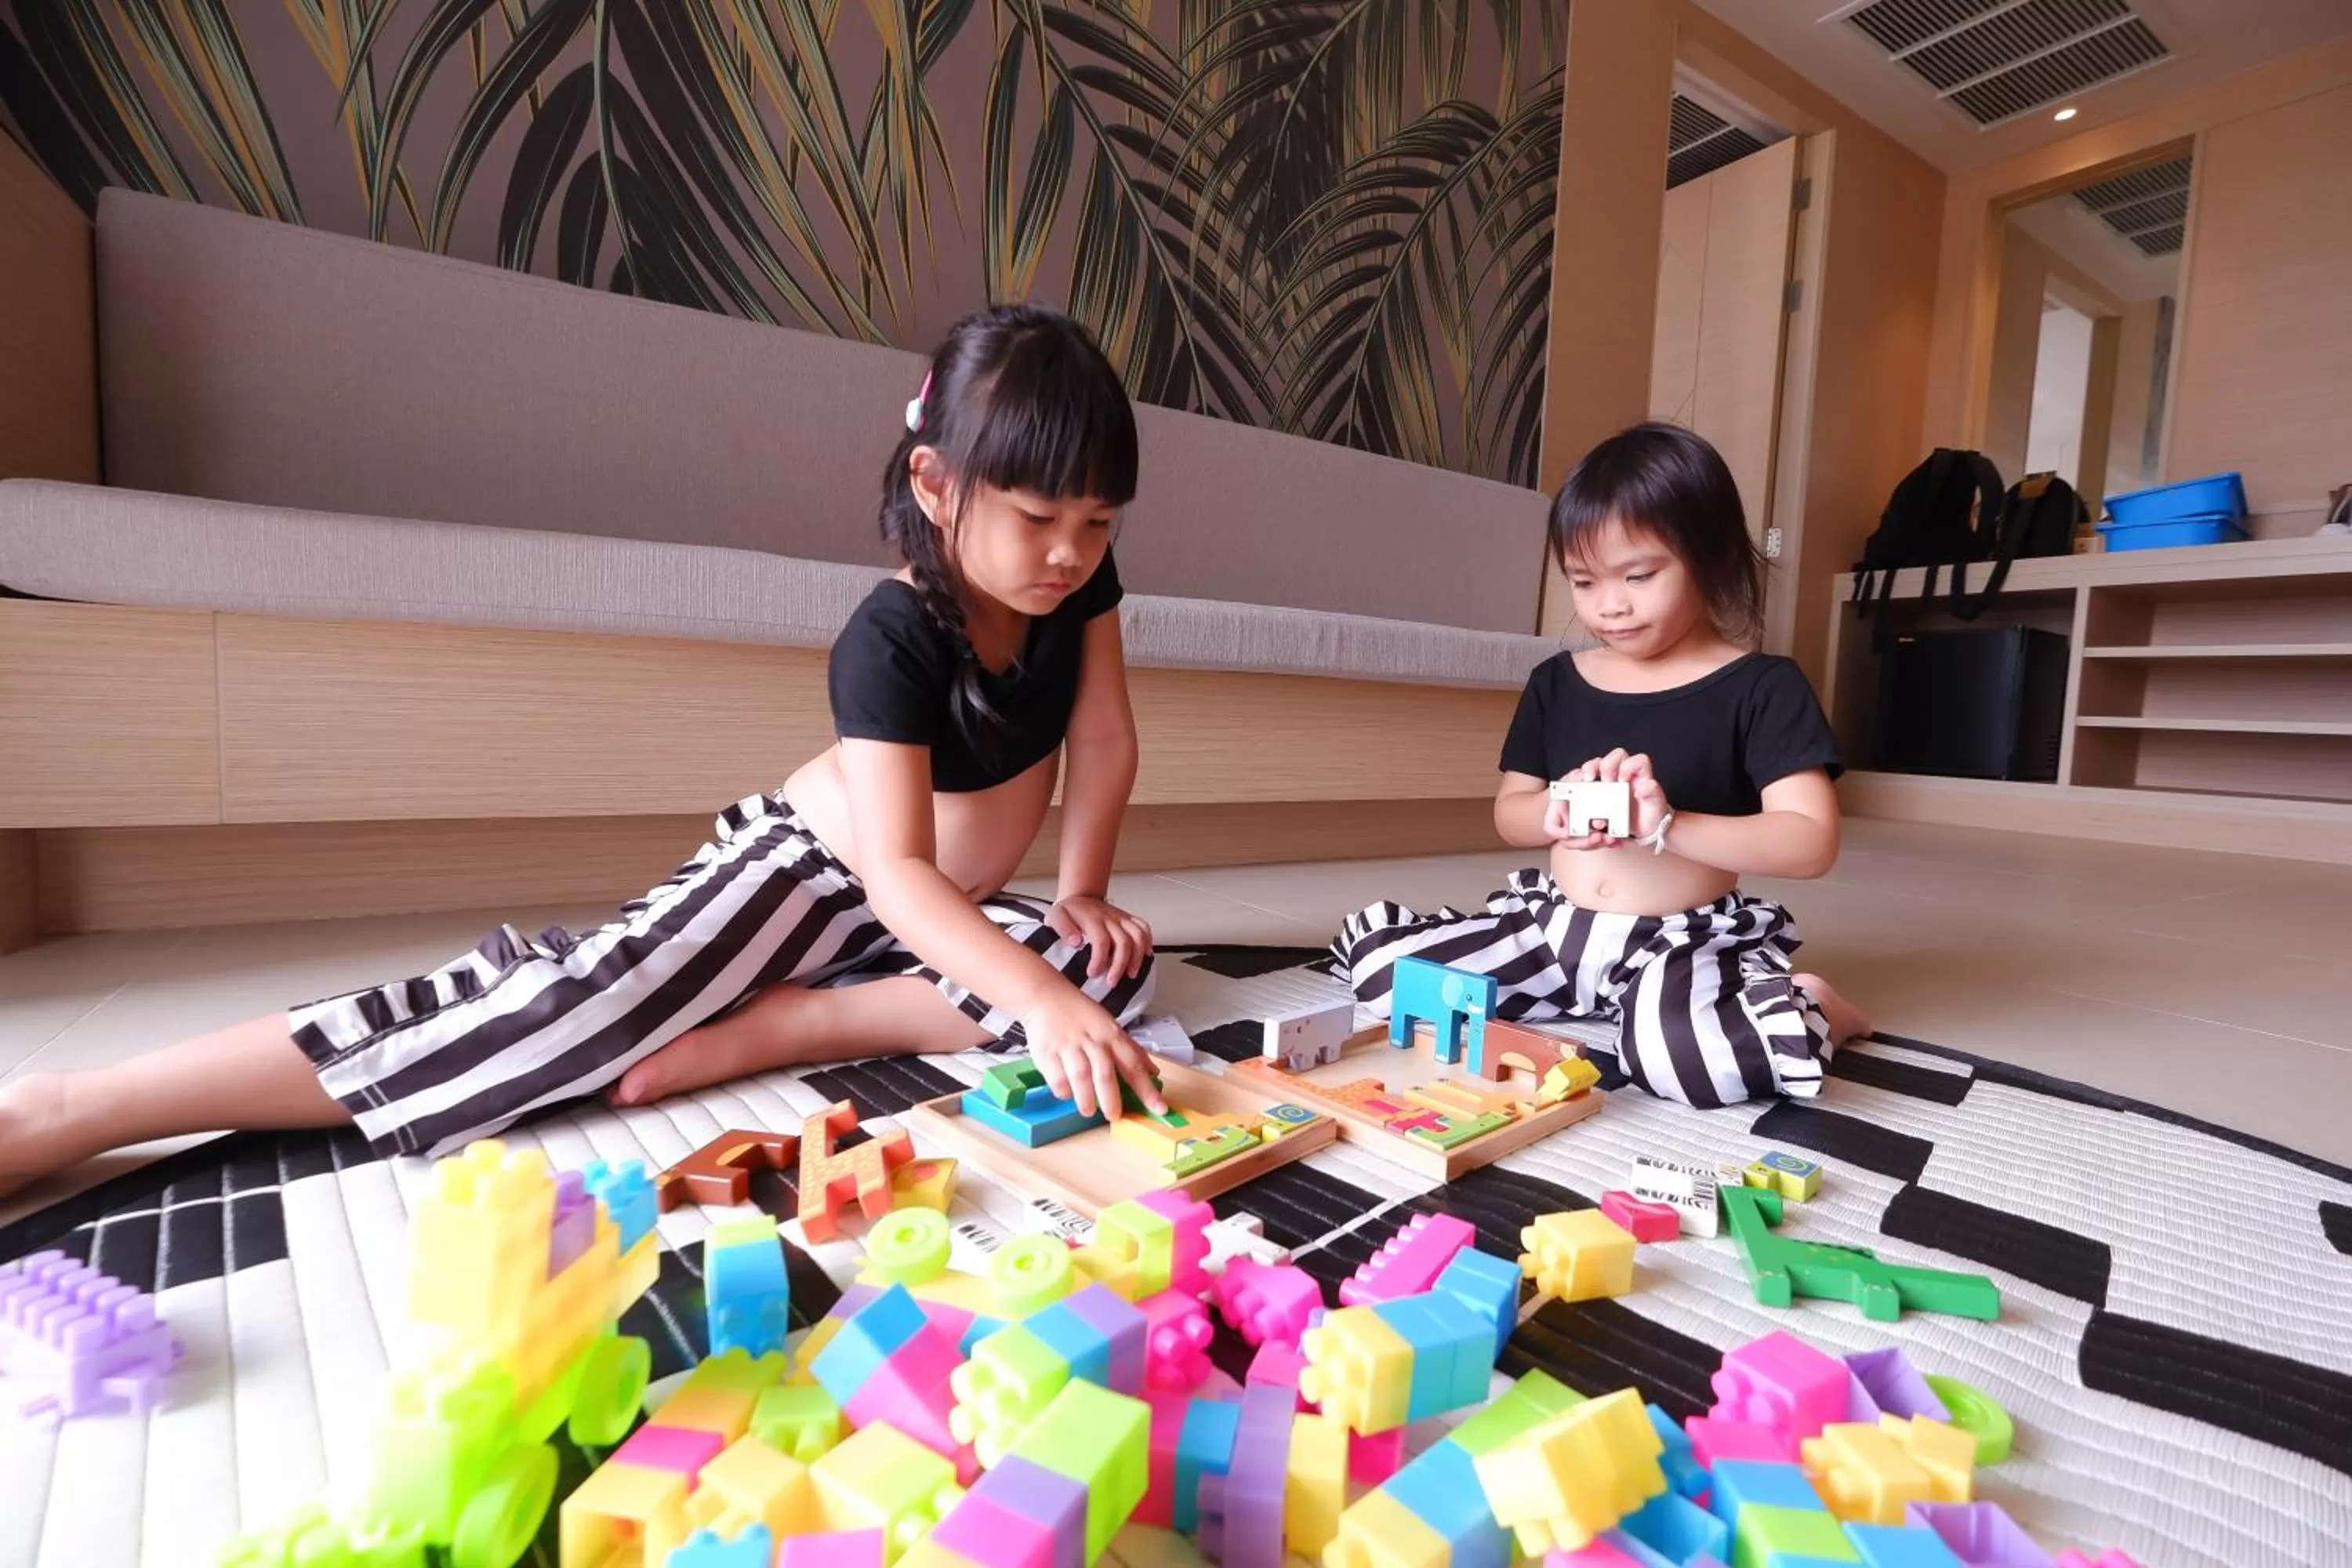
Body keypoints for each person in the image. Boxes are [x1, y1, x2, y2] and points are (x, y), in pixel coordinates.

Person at [0, 304, 1167, 1198]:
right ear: (937, 482)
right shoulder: (890, 636)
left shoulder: (1078, 586)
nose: (1068, 553)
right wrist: (1026, 995)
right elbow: (896, 873)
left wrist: (1080, 895)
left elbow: (1103, 736)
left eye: (1096, 523)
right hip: (816, 877)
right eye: (1036, 519)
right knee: (555, 1023)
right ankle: (76, 1107)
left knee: (1110, 975)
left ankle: (795, 1025)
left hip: (925, 914)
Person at [1333, 422, 1869, 1109]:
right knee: (1383, 974)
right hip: (1556, 929)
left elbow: (1809, 841)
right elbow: (1510, 812)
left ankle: (1813, 1004)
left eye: (1639, 576)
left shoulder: (1761, 686)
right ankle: (1599, 1004)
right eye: (1584, 582)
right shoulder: (1558, 682)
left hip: (1678, 939)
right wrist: (1556, 811)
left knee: (1689, 1064)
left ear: (1709, 556)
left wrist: (1667, 823)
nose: (1610, 605)